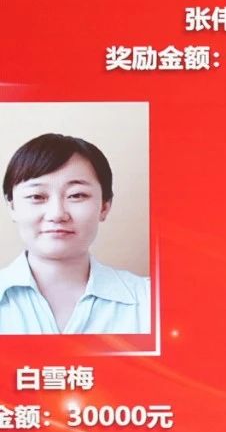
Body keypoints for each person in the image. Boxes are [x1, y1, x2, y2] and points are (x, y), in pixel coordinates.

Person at [1, 134, 149, 335]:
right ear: (12, 207)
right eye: (36, 196)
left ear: (105, 206)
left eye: (76, 195)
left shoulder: (150, 301)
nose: (57, 214)